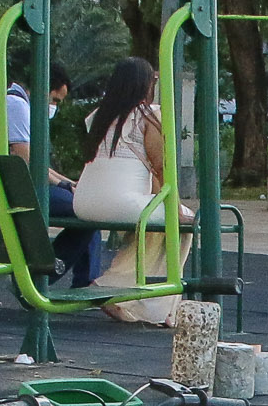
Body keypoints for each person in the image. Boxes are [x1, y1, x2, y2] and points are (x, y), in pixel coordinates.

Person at [0, 64, 90, 289]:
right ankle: (46, 280)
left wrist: (68, 183)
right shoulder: (17, 106)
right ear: (42, 90)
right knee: (87, 211)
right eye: (55, 100)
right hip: (12, 190)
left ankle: (82, 281)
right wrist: (63, 183)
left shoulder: (11, 102)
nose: (54, 107)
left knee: (87, 206)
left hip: (4, 184)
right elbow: (27, 160)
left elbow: (34, 161)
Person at [73, 57, 188, 326]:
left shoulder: (98, 116)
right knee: (179, 221)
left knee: (151, 223)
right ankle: (151, 303)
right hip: (121, 203)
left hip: (83, 202)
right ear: (145, 84)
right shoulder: (148, 117)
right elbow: (161, 170)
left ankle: (123, 291)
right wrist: (176, 207)